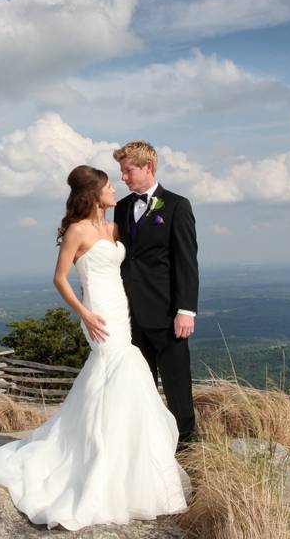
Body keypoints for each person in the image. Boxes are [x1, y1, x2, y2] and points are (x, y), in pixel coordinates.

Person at [0, 165, 188, 531]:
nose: (114, 190)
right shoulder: (77, 230)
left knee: (122, 377)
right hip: (99, 312)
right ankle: (100, 459)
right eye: (108, 186)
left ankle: (129, 461)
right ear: (93, 195)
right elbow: (59, 278)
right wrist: (85, 314)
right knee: (119, 369)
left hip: (121, 309)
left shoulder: (114, 225)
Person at [113, 141, 198, 445]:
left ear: (147, 167)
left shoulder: (177, 205)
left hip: (166, 313)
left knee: (177, 383)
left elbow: (186, 261)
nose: (123, 177)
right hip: (130, 315)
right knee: (141, 385)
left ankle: (187, 444)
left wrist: (186, 309)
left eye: (127, 170)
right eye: (121, 171)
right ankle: (149, 445)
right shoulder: (121, 209)